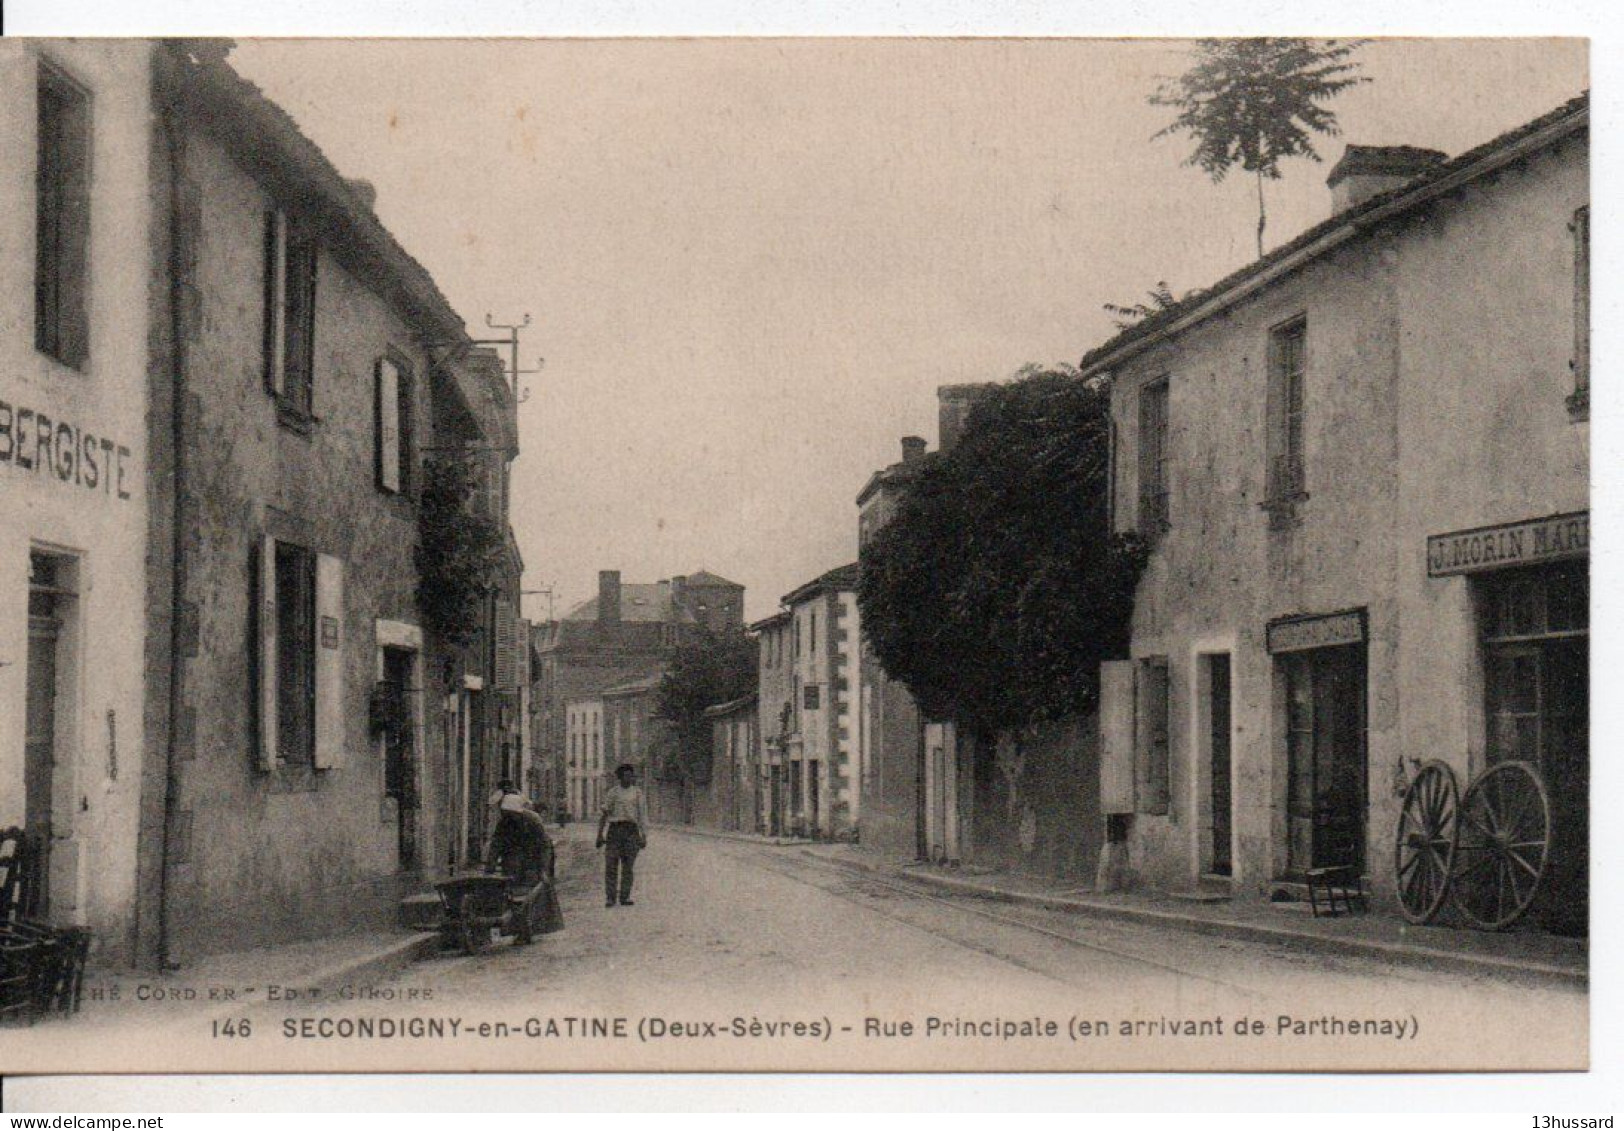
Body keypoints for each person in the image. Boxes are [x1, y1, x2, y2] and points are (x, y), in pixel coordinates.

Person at [596, 763, 648, 907]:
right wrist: (599, 835)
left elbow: (642, 816)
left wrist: (644, 836)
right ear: (620, 777)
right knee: (611, 865)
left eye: (631, 775)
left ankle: (625, 897)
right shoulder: (613, 793)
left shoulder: (637, 793)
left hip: (631, 831)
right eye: (626, 775)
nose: (629, 778)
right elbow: (605, 814)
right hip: (615, 831)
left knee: (628, 866)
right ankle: (610, 897)